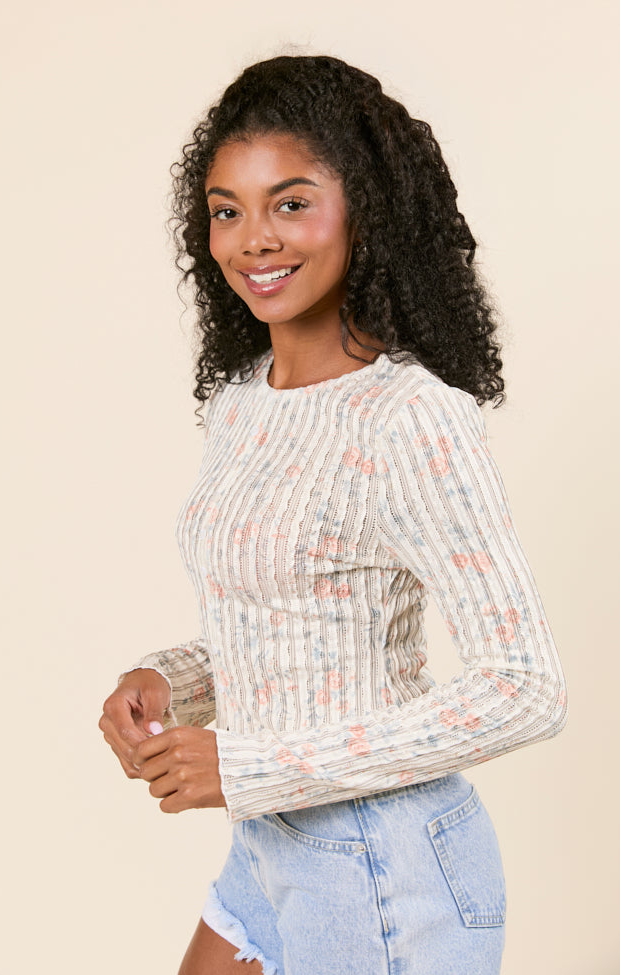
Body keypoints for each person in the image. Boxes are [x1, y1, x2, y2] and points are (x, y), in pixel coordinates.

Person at [99, 55, 567, 975]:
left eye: (291, 202)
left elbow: (526, 685)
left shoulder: (410, 416)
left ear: (366, 211)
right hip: (270, 847)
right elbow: (301, 631)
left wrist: (250, 767)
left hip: (383, 869)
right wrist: (168, 680)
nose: (254, 240)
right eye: (227, 210)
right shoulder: (243, 402)